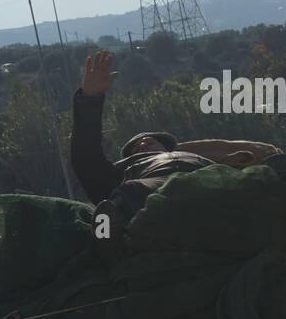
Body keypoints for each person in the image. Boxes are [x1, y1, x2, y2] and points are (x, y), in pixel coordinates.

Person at [70, 50, 213, 225]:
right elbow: (85, 159)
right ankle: (107, 234)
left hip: (210, 188)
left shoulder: (196, 159)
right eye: (135, 149)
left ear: (167, 148)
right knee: (128, 195)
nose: (143, 143)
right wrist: (90, 98)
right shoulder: (124, 177)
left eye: (150, 141)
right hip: (154, 210)